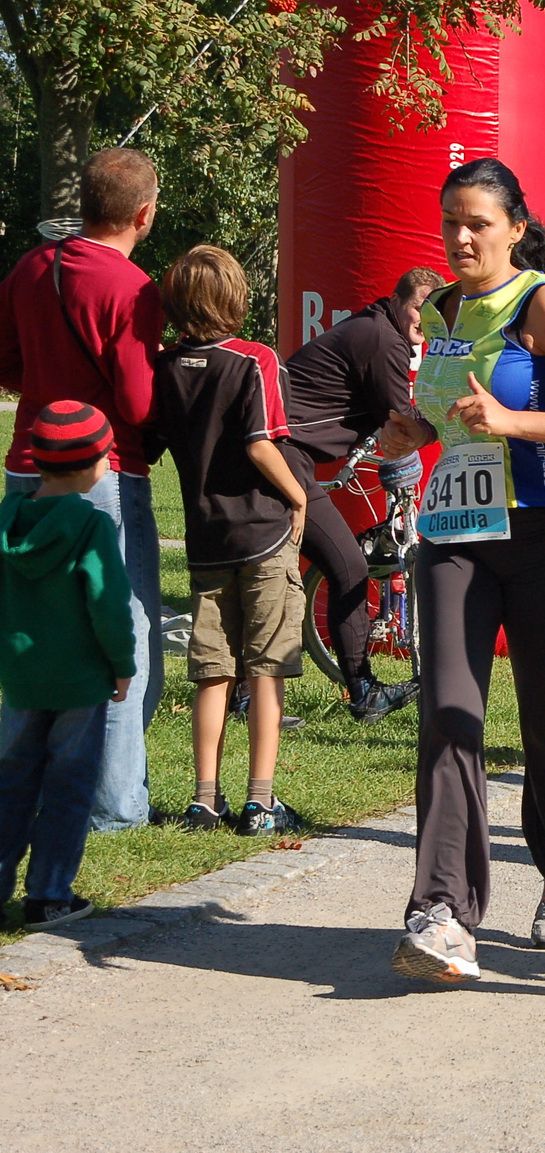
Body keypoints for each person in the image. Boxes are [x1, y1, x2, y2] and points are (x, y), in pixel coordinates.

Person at [381, 158, 545, 982]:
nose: (459, 237)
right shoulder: (443, 308)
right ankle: (445, 912)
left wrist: (515, 420)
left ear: (515, 228)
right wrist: (403, 433)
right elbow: (439, 418)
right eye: (450, 220)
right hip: (457, 535)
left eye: (477, 223)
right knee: (449, 713)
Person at [0, 147, 163, 833]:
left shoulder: (30, 267)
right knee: (118, 630)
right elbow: (136, 396)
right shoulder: (132, 288)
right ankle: (113, 803)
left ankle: (22, 790)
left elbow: (6, 364)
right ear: (144, 213)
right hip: (103, 470)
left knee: (34, 631)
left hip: (26, 464)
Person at [152, 246, 309, 837]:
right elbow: (260, 442)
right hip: (263, 536)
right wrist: (297, 497)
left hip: (205, 539)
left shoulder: (164, 367)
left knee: (211, 670)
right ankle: (261, 802)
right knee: (267, 667)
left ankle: (203, 800)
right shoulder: (254, 360)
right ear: (234, 298)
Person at [282, 267, 442, 723]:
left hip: (283, 454)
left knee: (264, 573)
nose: (423, 322)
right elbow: (402, 422)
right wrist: (443, 427)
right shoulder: (384, 340)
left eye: (432, 315)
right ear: (397, 301)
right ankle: (363, 692)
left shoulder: (374, 327)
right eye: (417, 309)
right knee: (348, 565)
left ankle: (240, 694)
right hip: (282, 455)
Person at [0, 403, 135, 929]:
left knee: (11, 780)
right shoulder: (91, 526)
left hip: (22, 677)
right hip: (80, 680)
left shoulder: (7, 516)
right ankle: (49, 894)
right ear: (95, 463)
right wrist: (121, 664)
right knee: (68, 783)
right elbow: (107, 602)